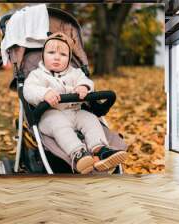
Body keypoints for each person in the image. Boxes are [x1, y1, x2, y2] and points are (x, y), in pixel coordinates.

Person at [23, 32, 127, 174]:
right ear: (43, 55)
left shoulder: (75, 73)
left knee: (90, 119)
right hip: (49, 115)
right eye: (51, 52)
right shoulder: (37, 75)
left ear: (69, 58)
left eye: (63, 55)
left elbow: (86, 81)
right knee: (59, 125)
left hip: (75, 111)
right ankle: (78, 153)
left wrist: (83, 87)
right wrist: (44, 94)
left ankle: (100, 150)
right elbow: (28, 90)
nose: (57, 57)